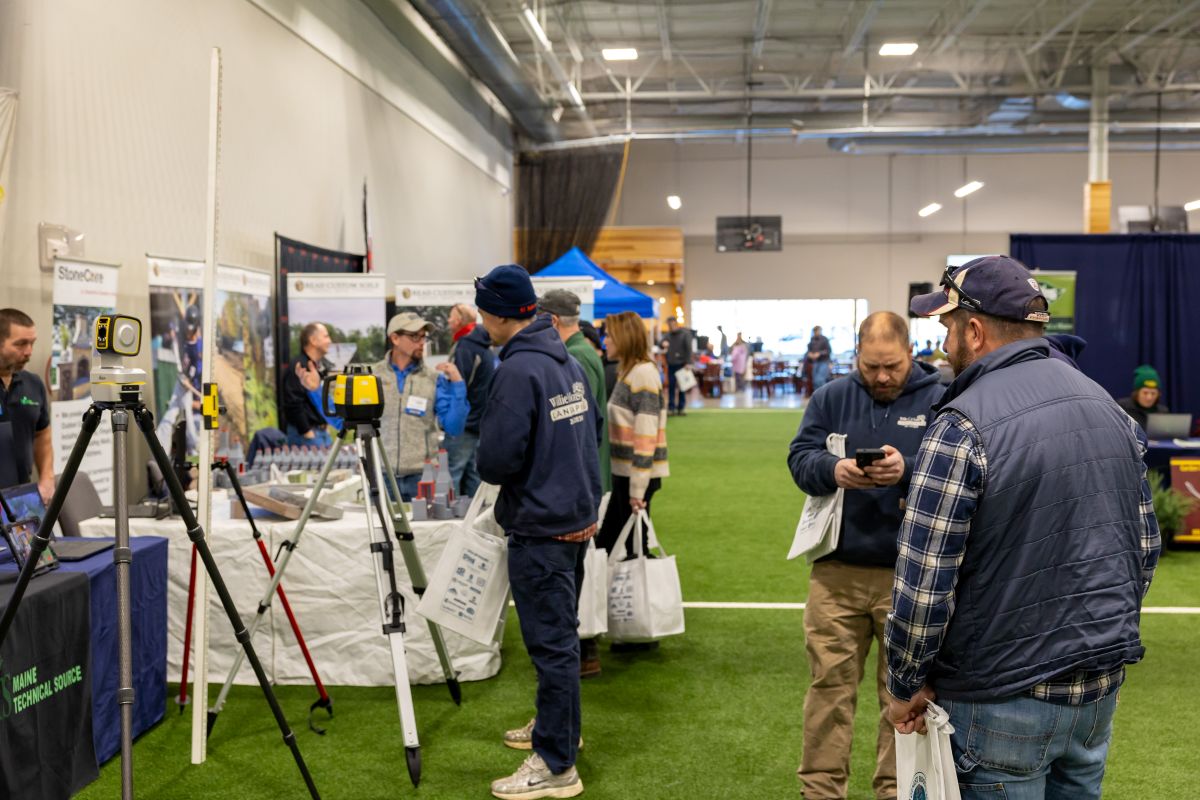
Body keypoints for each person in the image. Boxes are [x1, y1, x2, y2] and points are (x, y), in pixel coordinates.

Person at [887, 256, 1159, 800]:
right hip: (1095, 694)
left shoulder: (960, 424)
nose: (944, 345)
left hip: (996, 695)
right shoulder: (1111, 410)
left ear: (974, 330)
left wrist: (905, 682)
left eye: (947, 329)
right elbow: (1143, 551)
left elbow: (924, 584)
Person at [787, 311, 944, 800]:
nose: (881, 376)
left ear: (911, 353)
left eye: (891, 366)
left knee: (903, 699)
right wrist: (833, 470)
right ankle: (820, 791)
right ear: (857, 355)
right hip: (836, 571)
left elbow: (958, 467)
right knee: (828, 689)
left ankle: (896, 790)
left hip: (911, 576)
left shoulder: (942, 397)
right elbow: (799, 458)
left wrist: (908, 469)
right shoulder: (831, 396)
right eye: (871, 366)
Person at [473, 264, 600, 800]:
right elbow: (589, 431)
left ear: (498, 314)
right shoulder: (564, 358)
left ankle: (555, 763)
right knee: (562, 641)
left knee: (552, 646)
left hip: (542, 524)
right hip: (572, 515)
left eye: (483, 311)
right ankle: (559, 732)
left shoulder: (519, 369)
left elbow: (496, 460)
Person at [371, 312, 468, 500]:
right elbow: (343, 421)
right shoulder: (372, 377)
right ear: (395, 338)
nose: (422, 342)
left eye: (423, 337)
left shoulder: (434, 378)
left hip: (423, 477)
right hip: (381, 476)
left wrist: (458, 384)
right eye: (415, 336)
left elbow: (454, 427)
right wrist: (316, 391)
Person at [540, 290, 609, 495]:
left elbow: (579, 420)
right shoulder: (579, 351)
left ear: (553, 320)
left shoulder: (575, 355)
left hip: (583, 477)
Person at [0, 309, 54, 500]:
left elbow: (42, 434)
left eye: (32, 343)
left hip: (21, 499)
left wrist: (47, 479)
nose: (29, 351)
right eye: (21, 344)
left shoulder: (33, 384)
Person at [445, 303, 495, 498]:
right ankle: (473, 515)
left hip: (463, 423)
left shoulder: (465, 346)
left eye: (451, 316)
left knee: (451, 475)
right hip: (479, 422)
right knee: (473, 476)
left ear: (459, 320)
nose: (448, 320)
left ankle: (451, 516)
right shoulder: (482, 345)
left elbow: (459, 385)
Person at [282, 322, 335, 446]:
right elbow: (293, 402)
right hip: (307, 437)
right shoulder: (299, 367)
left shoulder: (318, 367)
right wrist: (306, 431)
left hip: (321, 433)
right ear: (313, 340)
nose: (330, 341)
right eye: (326, 336)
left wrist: (324, 424)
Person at [1117, 364, 1169, 432]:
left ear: (1158, 395)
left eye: (1153, 393)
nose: (1149, 397)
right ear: (1137, 393)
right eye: (1145, 393)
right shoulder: (1122, 408)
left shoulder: (1162, 412)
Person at [660, 317, 692, 416]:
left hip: (682, 364)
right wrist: (662, 343)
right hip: (671, 364)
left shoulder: (685, 334)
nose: (671, 326)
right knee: (671, 387)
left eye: (672, 324)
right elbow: (660, 343)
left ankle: (681, 408)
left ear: (676, 323)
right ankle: (671, 408)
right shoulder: (667, 335)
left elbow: (689, 349)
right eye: (669, 325)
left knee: (682, 387)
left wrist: (688, 362)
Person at [806, 325, 832, 391]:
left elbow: (829, 351)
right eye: (815, 331)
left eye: (818, 331)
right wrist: (809, 354)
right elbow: (809, 350)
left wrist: (819, 353)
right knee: (815, 381)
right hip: (815, 362)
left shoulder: (824, 339)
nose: (816, 332)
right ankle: (817, 396)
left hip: (824, 362)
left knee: (820, 380)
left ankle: (823, 395)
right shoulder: (812, 339)